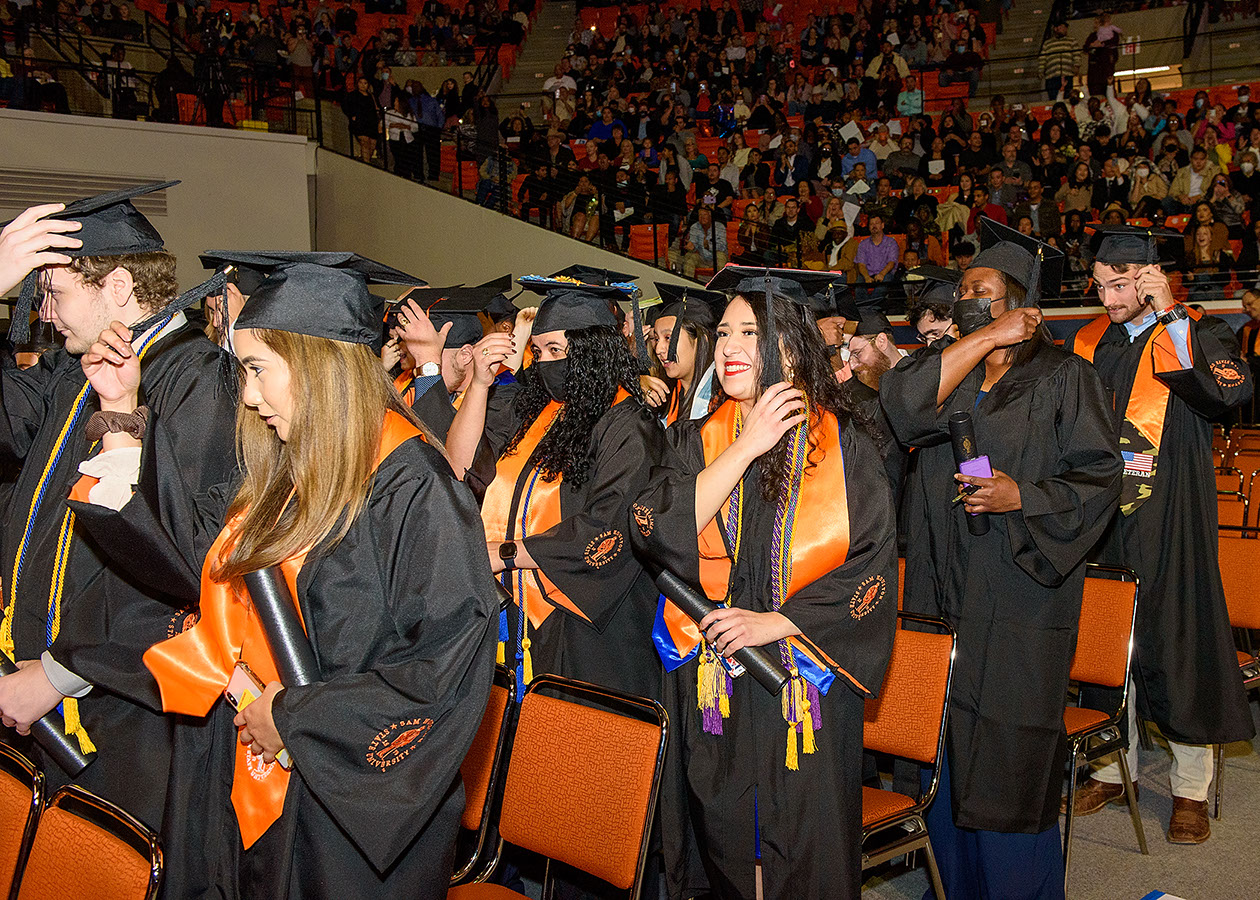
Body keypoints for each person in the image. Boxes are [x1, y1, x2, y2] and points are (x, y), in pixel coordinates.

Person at [66, 254, 497, 898]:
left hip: (341, 825)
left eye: (259, 369)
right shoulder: (286, 471)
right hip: (244, 776)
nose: (247, 394)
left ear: (318, 366)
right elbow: (189, 556)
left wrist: (294, 717)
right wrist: (124, 409)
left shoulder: (414, 487)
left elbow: (442, 673)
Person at [0, 184, 238, 897]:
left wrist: (59, 673)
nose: (43, 313)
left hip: (124, 711)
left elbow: (174, 562)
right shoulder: (80, 369)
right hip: (40, 693)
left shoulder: (197, 379)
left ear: (120, 286)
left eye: (56, 292)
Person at [633, 265, 896, 900]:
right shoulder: (699, 440)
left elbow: (873, 565)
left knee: (802, 848)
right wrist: (745, 445)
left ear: (786, 344)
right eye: (723, 333)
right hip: (716, 681)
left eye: (748, 332)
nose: (728, 347)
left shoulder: (845, 446)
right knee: (725, 839)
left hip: (804, 679)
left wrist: (780, 621)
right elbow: (653, 527)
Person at [881, 220, 1122, 900]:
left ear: (1019, 299)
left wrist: (1026, 495)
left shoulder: (1065, 377)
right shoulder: (955, 369)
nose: (965, 299)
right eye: (962, 291)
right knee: (947, 741)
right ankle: (951, 885)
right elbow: (901, 409)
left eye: (980, 291)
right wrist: (983, 336)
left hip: (1017, 595)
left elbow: (1101, 477)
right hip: (941, 586)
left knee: (1010, 757)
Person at [1066, 226, 1256, 844]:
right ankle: (1110, 766)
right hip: (1101, 519)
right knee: (1107, 641)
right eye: (1098, 286)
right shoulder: (1092, 341)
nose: (1105, 298)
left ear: (1150, 278)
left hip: (1171, 514)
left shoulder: (1197, 328)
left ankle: (1189, 788)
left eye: (1117, 285)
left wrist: (1170, 313)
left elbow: (1233, 392)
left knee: (1178, 638)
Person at [446, 278, 667, 701]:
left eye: (556, 351)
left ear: (590, 351)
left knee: (572, 750)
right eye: (538, 351)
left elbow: (610, 527)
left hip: (586, 628)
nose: (545, 363)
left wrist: (504, 554)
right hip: (515, 614)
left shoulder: (628, 425)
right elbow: (458, 467)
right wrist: (478, 384)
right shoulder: (535, 411)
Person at [650, 283, 723, 425]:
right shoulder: (665, 396)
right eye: (657, 339)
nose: (659, 349)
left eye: (668, 338)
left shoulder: (722, 400)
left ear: (702, 339)